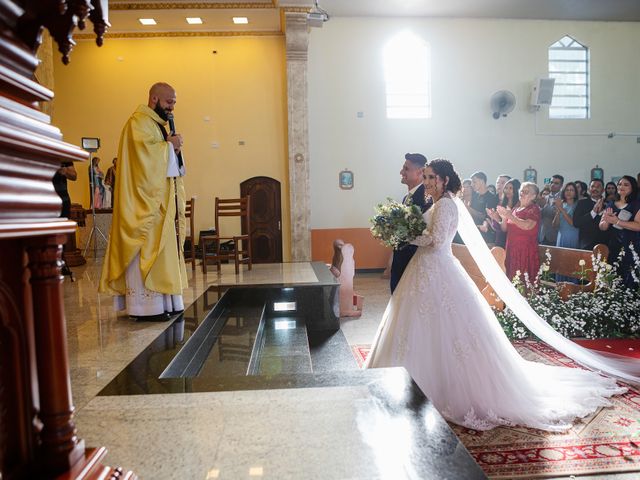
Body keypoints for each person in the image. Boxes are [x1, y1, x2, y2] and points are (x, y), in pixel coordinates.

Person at [365, 159, 627, 432]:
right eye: (427, 177)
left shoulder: (446, 204)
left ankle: (439, 386)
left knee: (445, 328)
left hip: (436, 269)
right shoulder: (438, 203)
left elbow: (437, 241)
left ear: (443, 180)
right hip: (424, 271)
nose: (427, 182)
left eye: (431, 177)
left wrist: (406, 234)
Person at [99, 82, 188, 321]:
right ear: (154, 99)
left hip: (160, 204)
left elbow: (166, 163)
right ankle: (146, 308)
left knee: (164, 253)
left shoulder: (157, 125)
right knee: (146, 251)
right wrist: (169, 147)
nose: (172, 108)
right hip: (143, 206)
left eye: (174, 103)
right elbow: (144, 162)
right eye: (169, 102)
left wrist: (172, 148)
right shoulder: (137, 123)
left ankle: (168, 302)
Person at [389, 153, 432, 293]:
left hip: (413, 262)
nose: (401, 172)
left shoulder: (426, 198)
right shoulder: (406, 197)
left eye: (406, 169)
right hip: (401, 259)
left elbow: (424, 230)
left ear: (420, 172)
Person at [599, 175, 640, 289]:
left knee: (630, 277)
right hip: (613, 245)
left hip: (631, 246)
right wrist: (606, 220)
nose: (621, 186)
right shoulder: (611, 203)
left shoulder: (636, 204)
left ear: (633, 188)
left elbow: (638, 225)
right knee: (613, 275)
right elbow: (602, 227)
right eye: (620, 184)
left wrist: (617, 221)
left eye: (626, 185)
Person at [496, 182, 541, 283]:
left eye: (526, 192)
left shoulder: (533, 209)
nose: (522, 193)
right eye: (521, 191)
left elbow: (527, 225)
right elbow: (505, 229)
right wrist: (502, 217)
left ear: (533, 196)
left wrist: (510, 216)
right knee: (510, 277)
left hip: (525, 250)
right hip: (511, 248)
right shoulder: (515, 209)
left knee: (523, 280)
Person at [53, 161, 78, 278]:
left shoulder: (63, 157)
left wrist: (64, 171)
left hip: (63, 200)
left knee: (61, 234)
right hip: (44, 201)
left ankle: (61, 264)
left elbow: (74, 176)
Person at [553, 182, 580, 282]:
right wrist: (558, 211)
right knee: (560, 264)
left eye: (572, 190)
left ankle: (573, 290)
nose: (569, 192)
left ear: (575, 193)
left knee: (572, 264)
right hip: (561, 237)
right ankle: (560, 288)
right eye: (567, 190)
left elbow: (573, 223)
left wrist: (561, 209)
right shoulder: (561, 205)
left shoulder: (578, 206)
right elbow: (555, 225)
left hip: (573, 237)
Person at [573, 179, 609, 251]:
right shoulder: (582, 203)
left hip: (605, 244)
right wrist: (593, 213)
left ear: (603, 190)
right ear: (589, 189)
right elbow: (576, 223)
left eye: (598, 186)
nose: (595, 189)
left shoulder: (609, 204)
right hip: (586, 245)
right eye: (592, 186)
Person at [486, 178, 520, 248]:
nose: (507, 190)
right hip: (500, 239)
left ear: (516, 190)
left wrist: (498, 219)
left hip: (512, 240)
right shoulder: (501, 204)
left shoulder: (519, 205)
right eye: (506, 188)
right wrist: (493, 218)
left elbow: (509, 228)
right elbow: (498, 228)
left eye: (511, 188)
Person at [468, 171, 498, 244]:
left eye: (474, 182)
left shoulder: (491, 197)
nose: (472, 185)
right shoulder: (474, 196)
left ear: (482, 181)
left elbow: (485, 216)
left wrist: (469, 209)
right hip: (473, 232)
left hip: (485, 236)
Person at [538, 174, 564, 246]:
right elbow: (539, 216)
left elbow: (559, 215)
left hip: (555, 235)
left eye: (556, 183)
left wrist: (545, 206)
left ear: (561, 186)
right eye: (551, 182)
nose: (552, 185)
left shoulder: (563, 198)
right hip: (543, 235)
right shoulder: (544, 198)